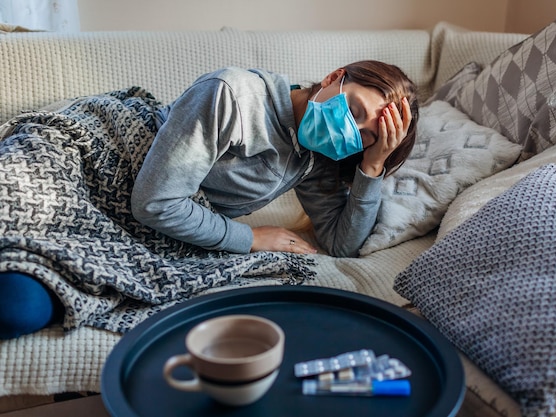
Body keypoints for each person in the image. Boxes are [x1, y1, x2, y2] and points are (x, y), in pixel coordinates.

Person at [0, 60, 419, 339]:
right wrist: (251, 238)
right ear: (335, 77)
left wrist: (372, 166)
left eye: (367, 135)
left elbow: (342, 244)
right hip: (96, 156)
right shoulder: (233, 93)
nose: (351, 129)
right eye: (356, 108)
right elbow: (155, 202)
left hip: (135, 222)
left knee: (20, 307)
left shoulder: (318, 158)